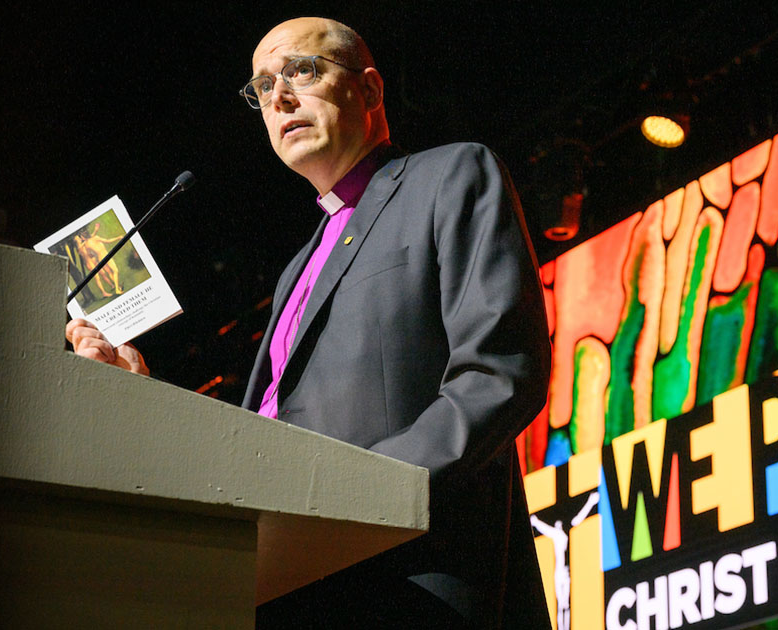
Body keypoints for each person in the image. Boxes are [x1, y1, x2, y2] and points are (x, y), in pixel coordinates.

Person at [66, 17, 552, 629]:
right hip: (286, 589)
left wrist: (361, 497)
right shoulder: (298, 266)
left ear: (370, 91)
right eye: (262, 86)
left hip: (406, 578)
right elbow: (263, 436)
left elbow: (500, 375)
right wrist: (144, 396)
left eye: (302, 70)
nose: (279, 97)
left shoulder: (450, 176)